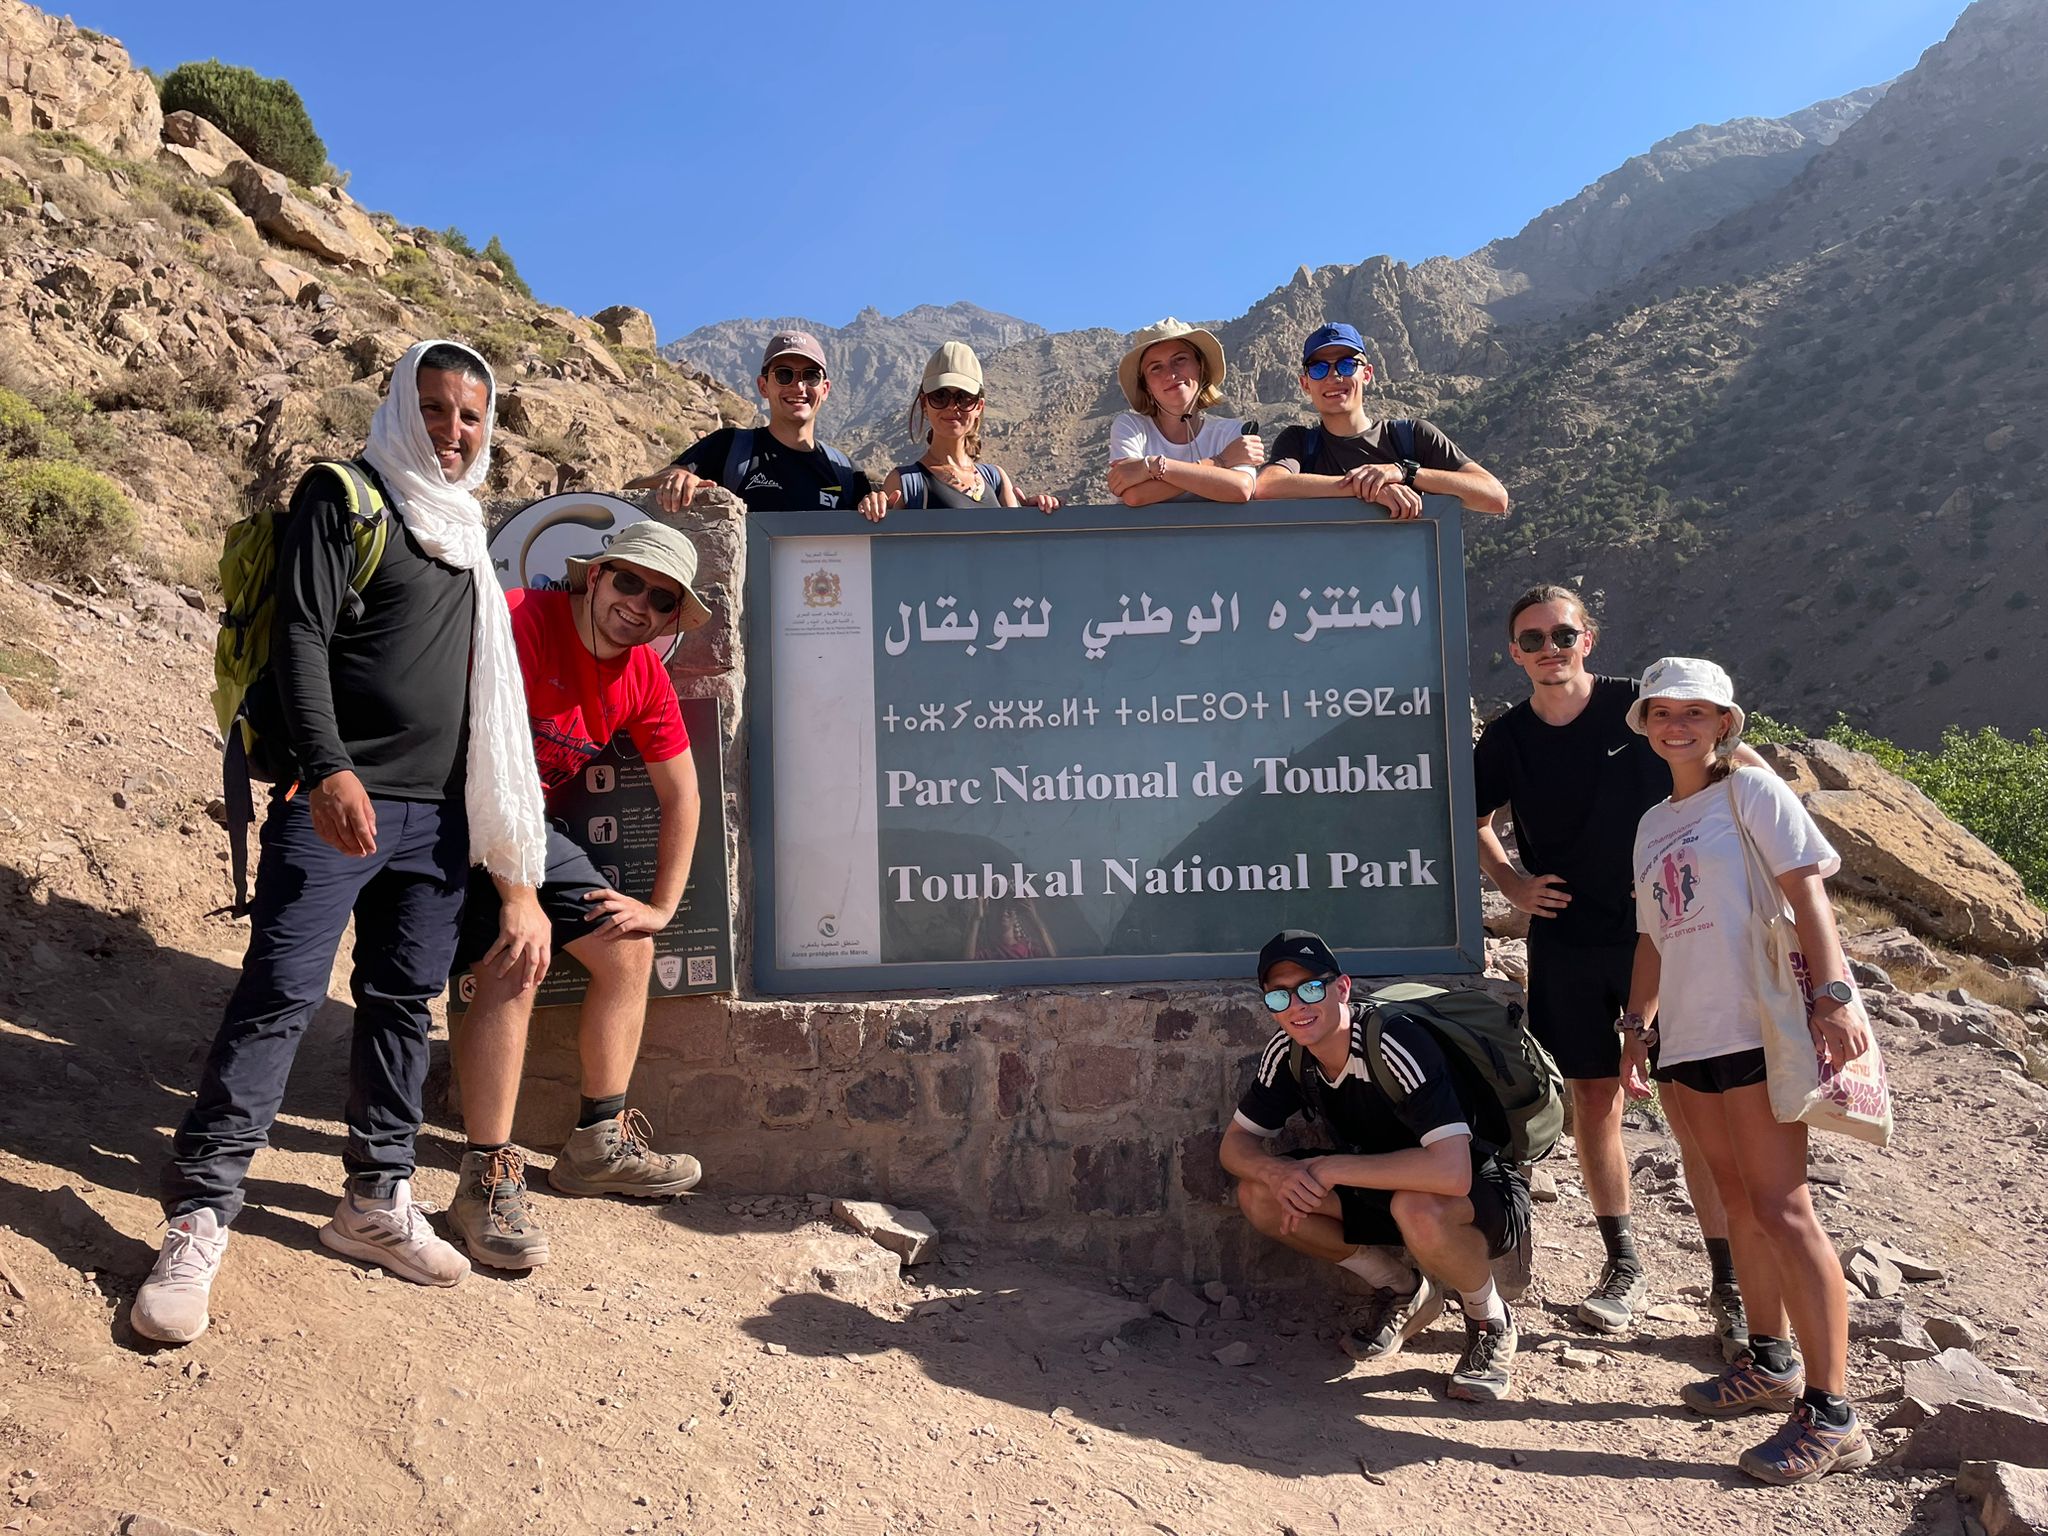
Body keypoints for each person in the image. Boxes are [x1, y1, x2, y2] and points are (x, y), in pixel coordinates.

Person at [134, 341, 551, 1344]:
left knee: (400, 1006)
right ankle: (199, 1218)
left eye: (470, 417)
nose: (453, 432)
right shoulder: (346, 494)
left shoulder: (464, 531)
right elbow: (302, 640)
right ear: (403, 407)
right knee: (278, 998)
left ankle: (374, 1200)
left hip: (437, 820)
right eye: (438, 410)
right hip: (338, 805)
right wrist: (325, 771)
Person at [1474, 585, 1763, 1355]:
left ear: (1588, 639)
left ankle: (1731, 1285)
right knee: (1592, 1098)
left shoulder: (1642, 710)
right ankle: (1621, 1264)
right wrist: (1512, 886)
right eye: (1531, 640)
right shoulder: (1507, 740)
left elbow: (1728, 763)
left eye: (1561, 635)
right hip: (1566, 940)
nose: (1548, 649)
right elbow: (1469, 818)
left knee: (1689, 1103)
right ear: (1514, 653)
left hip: (1668, 935)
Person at [1618, 657, 1873, 1485]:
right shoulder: (1653, 823)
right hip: (1688, 1038)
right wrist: (1635, 1030)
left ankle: (1832, 1414)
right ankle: (1770, 1361)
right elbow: (1653, 936)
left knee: (1782, 1207)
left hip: (1758, 1025)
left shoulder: (1753, 793)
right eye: (1664, 712)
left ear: (1725, 722)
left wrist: (1833, 996)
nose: (1678, 725)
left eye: (1696, 712)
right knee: (1736, 1203)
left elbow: (1809, 896)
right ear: (1648, 723)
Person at [447, 521, 711, 1269]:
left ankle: (596, 1144)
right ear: (594, 578)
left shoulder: (642, 676)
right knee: (517, 951)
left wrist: (660, 907)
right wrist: (517, 896)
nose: (639, 605)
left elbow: (682, 795)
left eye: (661, 600)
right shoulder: (520, 621)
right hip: (448, 812)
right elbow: (478, 765)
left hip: (524, 827)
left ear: (667, 620)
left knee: (628, 949)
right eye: (628, 581)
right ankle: (486, 1174)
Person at [1221, 931, 1532, 1403]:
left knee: (1417, 1207)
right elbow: (1236, 1147)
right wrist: (1275, 1173)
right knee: (1259, 1196)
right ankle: (1403, 1289)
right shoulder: (1288, 1054)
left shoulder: (1392, 1041)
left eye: (1310, 988)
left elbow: (1452, 1173)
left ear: (1342, 988)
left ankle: (1489, 1318)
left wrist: (1328, 1169)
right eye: (1279, 995)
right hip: (1377, 1182)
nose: (1296, 1005)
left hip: (1479, 1187)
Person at [1254, 323, 1508, 518]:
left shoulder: (1413, 436)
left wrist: (1404, 472)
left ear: (1367, 374)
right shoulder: (1298, 442)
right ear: (1305, 383)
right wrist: (1369, 489)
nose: (1334, 377)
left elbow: (1494, 498)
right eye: (1319, 368)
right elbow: (1267, 486)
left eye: (1346, 365)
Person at [627, 330, 873, 512]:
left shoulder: (847, 473)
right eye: (784, 375)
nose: (798, 387)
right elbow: (631, 491)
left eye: (810, 376)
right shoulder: (728, 447)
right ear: (763, 386)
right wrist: (673, 480)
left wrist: (880, 506)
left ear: (825, 389)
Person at [858, 342, 1060, 519]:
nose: (951, 407)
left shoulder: (996, 478)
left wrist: (1038, 514)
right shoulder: (904, 482)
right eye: (940, 396)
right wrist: (875, 509)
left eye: (963, 398)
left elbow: (1019, 547)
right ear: (924, 404)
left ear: (979, 406)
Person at [1105, 318, 1263, 505]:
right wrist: (1219, 462)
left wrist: (1153, 468)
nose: (1171, 374)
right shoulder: (1131, 427)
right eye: (1156, 368)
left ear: (1200, 368)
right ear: (1146, 385)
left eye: (1180, 360)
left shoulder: (1231, 432)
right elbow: (1135, 495)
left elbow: (1240, 489)